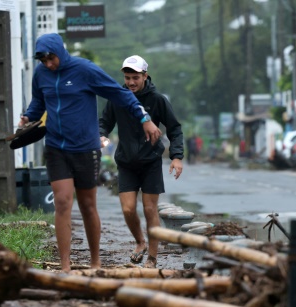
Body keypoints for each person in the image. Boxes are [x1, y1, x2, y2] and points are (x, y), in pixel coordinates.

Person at [19, 34, 162, 272]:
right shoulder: (40, 73)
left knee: (87, 205)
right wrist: (28, 117)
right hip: (56, 147)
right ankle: (65, 267)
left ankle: (95, 262)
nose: (48, 64)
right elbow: (38, 104)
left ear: (60, 52)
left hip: (85, 148)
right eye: (42, 60)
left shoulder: (84, 70)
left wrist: (144, 118)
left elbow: (120, 93)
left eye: (51, 58)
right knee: (63, 202)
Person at [99, 55, 184, 269]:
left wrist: (176, 156)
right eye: (127, 78)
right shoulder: (117, 97)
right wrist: (101, 135)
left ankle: (153, 258)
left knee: (149, 209)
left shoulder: (157, 99)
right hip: (126, 161)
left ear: (145, 76)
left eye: (135, 77)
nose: (131, 82)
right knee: (128, 209)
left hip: (151, 161)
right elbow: (104, 122)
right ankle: (140, 242)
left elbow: (174, 128)